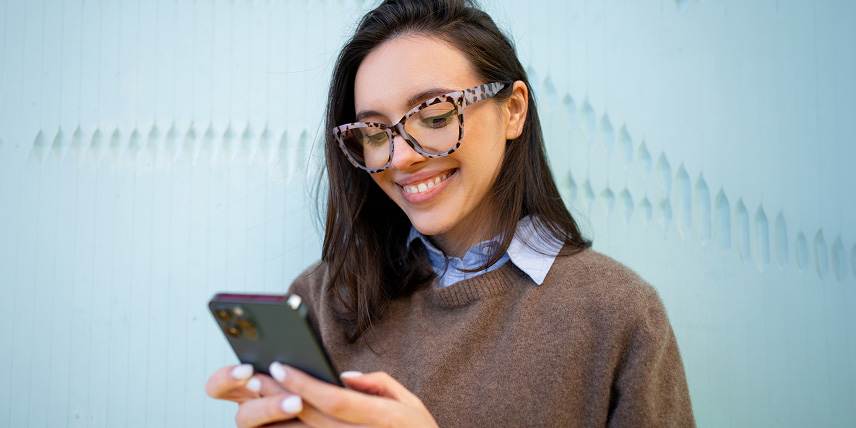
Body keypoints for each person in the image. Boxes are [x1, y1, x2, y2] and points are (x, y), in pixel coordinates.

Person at [206, 0, 696, 426]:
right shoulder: (325, 299)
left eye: (436, 116)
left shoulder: (617, 313)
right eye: (374, 133)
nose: (401, 158)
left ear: (513, 110)